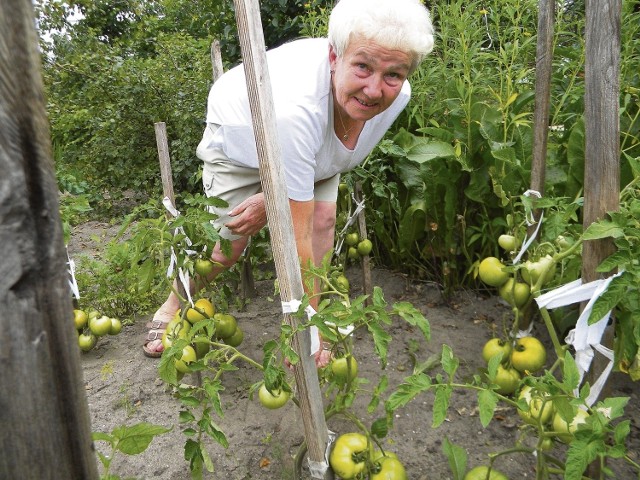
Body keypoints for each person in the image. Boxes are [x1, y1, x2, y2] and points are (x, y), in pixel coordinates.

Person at [143, 0, 435, 365]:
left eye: (393, 74)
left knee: (323, 220)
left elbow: (327, 160)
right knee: (228, 243)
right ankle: (172, 306)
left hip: (311, 147)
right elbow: (294, 241)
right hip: (244, 137)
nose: (375, 90)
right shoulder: (298, 109)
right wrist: (303, 327)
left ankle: (314, 321)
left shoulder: (396, 97)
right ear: (334, 57)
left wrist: (282, 196)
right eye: (362, 66)